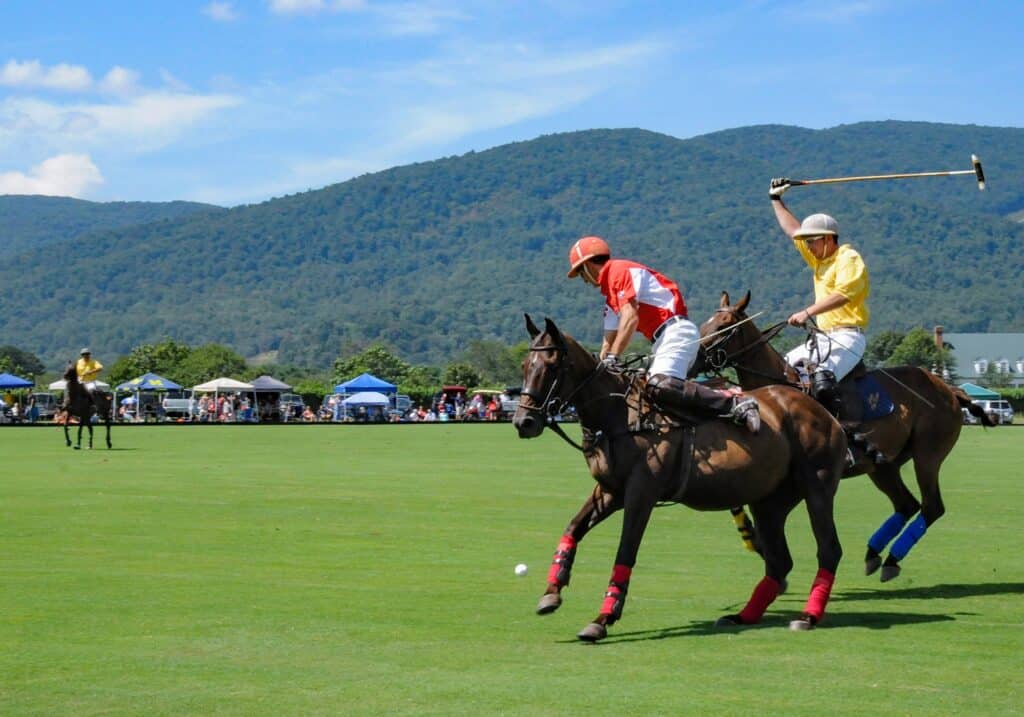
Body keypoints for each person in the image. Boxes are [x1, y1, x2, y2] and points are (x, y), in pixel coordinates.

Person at [566, 235, 760, 432]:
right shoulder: (610, 297)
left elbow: (630, 318)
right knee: (643, 391)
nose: (583, 280)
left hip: (676, 332)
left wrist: (614, 357)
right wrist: (603, 365)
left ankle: (734, 402)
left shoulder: (619, 271)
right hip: (662, 341)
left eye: (581, 273)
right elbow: (607, 343)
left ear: (588, 265)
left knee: (660, 386)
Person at [768, 179, 870, 411]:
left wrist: (807, 312)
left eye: (812, 241)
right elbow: (793, 231)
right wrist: (775, 200)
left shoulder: (848, 257)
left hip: (848, 337)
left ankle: (842, 437)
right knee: (784, 371)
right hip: (822, 338)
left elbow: (844, 293)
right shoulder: (819, 259)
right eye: (808, 242)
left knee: (822, 379)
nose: (808, 246)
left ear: (828, 238)